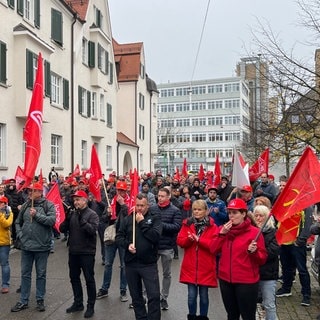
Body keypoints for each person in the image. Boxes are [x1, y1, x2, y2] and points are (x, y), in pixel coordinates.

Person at [210, 198, 267, 320]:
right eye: (229, 212)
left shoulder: (254, 233)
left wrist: (254, 252)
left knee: (247, 316)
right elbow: (212, 250)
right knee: (232, 315)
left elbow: (262, 259)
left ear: (243, 214)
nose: (231, 216)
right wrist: (222, 234)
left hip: (246, 282)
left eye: (235, 213)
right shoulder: (223, 229)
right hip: (226, 280)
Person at [116, 193, 162, 320]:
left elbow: (155, 237)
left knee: (153, 296)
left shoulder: (155, 219)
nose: (140, 208)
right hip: (131, 264)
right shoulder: (128, 219)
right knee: (136, 297)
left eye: (142, 205)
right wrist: (127, 245)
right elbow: (118, 237)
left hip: (148, 264)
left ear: (148, 205)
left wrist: (142, 223)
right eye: (137, 205)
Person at [11, 183, 56, 313]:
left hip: (42, 247)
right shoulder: (25, 205)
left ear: (40, 192)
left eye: (32, 191)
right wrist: (20, 234)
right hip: (26, 247)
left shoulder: (48, 205)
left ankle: (40, 299)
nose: (29, 193)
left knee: (41, 274)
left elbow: (52, 221)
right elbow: (18, 222)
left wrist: (37, 215)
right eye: (29, 191)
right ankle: (23, 300)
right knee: (25, 274)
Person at [59, 190, 99, 318]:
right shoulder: (73, 214)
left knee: (89, 279)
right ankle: (78, 303)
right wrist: (66, 217)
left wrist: (82, 220)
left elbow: (92, 231)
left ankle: (91, 305)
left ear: (85, 200)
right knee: (74, 278)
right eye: (75, 200)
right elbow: (61, 229)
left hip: (87, 252)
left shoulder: (92, 215)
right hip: (74, 252)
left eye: (78, 199)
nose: (76, 202)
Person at [177, 199, 219, 320]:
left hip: (205, 267)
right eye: (194, 209)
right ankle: (192, 316)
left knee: (204, 296)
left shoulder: (212, 226)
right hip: (190, 267)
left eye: (199, 209)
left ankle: (203, 317)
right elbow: (180, 241)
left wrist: (199, 240)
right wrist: (188, 240)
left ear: (206, 211)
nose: (196, 212)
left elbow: (214, 246)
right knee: (191, 296)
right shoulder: (187, 224)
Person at [96, 180, 129, 302]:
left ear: (126, 191)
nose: (120, 192)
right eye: (118, 190)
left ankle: (123, 290)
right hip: (111, 237)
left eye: (122, 190)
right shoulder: (111, 202)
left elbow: (129, 219)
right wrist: (108, 215)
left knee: (124, 265)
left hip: (124, 237)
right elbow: (103, 219)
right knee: (108, 264)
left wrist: (123, 205)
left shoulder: (130, 202)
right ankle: (105, 289)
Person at [150, 187, 182, 310]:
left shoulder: (175, 210)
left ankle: (164, 297)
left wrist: (160, 225)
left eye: (163, 196)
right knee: (151, 273)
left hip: (167, 246)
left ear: (168, 197)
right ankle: (151, 296)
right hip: (153, 245)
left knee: (166, 274)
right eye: (159, 195)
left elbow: (176, 227)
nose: (160, 198)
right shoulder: (152, 209)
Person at [276, 206, 313, 306]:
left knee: (302, 270)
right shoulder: (288, 200)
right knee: (286, 266)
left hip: (297, 242)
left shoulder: (306, 205)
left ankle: (306, 295)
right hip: (285, 240)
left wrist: (301, 239)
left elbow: (308, 223)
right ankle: (286, 288)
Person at [253, 205, 279, 320]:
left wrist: (256, 252)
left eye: (261, 216)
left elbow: (273, 251)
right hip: (252, 273)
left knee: (268, 304)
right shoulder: (251, 231)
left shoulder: (274, 232)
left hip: (268, 274)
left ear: (267, 217)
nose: (258, 218)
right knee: (251, 303)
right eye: (256, 215)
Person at [0, 196, 13, 293]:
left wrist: (0, 215)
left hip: (4, 242)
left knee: (4, 264)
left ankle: (5, 284)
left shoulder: (9, 213)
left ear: (5, 204)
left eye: (1, 203)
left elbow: (6, 224)